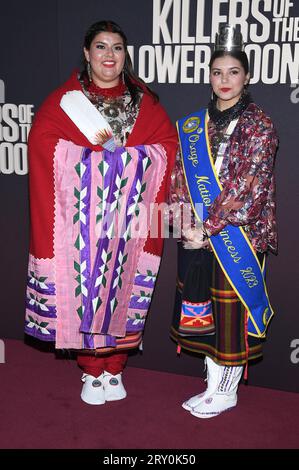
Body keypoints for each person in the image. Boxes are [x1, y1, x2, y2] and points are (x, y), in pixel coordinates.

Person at [26, 20, 177, 405]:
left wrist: (127, 162)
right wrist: (96, 165)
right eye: (101, 47)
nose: (109, 55)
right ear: (86, 53)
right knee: (87, 288)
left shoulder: (145, 102)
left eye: (117, 48)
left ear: (126, 55)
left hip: (130, 218)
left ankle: (116, 366)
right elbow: (44, 142)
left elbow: (166, 146)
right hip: (82, 221)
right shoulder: (66, 101)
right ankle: (92, 370)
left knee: (123, 287)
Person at [168, 24, 278, 418]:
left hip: (238, 236)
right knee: (207, 313)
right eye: (217, 72)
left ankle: (226, 391)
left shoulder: (260, 126)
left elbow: (249, 191)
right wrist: (183, 224)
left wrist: (206, 228)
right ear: (209, 76)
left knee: (230, 316)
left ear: (247, 77)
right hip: (197, 236)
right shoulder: (192, 125)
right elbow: (179, 178)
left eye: (233, 72)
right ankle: (214, 386)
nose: (225, 80)